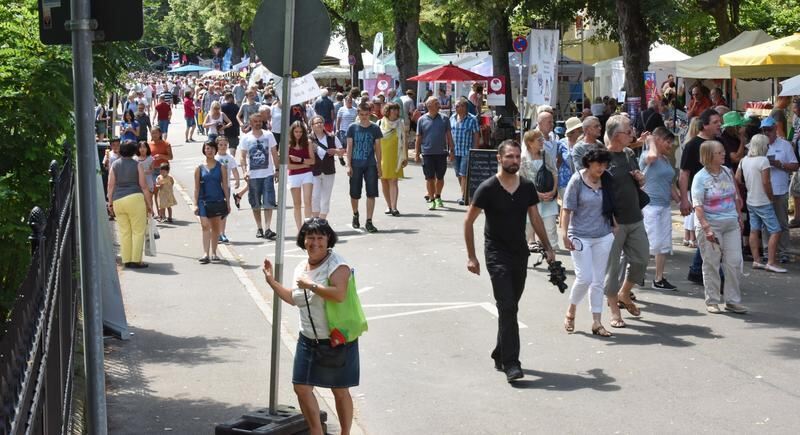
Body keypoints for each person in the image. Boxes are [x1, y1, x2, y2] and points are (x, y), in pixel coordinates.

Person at [463, 139, 555, 382]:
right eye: (509, 157)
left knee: (510, 306)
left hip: (519, 253)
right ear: (499, 159)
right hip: (496, 254)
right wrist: (472, 256)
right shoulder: (487, 188)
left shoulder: (526, 187)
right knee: (507, 305)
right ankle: (512, 363)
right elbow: (468, 222)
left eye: (517, 157)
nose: (514, 161)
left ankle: (499, 351)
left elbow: (535, 218)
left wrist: (548, 247)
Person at [261, 218, 358, 435]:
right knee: (301, 387)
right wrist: (272, 282)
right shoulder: (301, 267)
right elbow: (295, 299)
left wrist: (312, 285)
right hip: (308, 339)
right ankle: (316, 431)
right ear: (303, 240)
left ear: (328, 240)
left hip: (335, 339)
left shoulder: (337, 266)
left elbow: (339, 294)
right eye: (310, 238)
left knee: (340, 391)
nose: (315, 242)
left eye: (320, 238)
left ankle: (345, 433)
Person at [561, 148, 615, 337]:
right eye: (598, 164)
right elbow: (566, 209)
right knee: (585, 277)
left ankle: (597, 322)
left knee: (598, 280)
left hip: (603, 235)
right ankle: (571, 309)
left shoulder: (607, 179)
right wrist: (564, 234)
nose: (601, 168)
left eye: (604, 164)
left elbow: (613, 203)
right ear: (588, 163)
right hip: (580, 235)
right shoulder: (577, 180)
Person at [603, 115, 649, 327]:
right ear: (615, 135)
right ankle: (614, 310)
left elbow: (637, 182)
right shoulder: (602, 158)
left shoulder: (630, 153)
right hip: (613, 222)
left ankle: (624, 293)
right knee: (612, 268)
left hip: (635, 217)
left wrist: (640, 179)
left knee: (640, 260)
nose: (632, 134)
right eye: (628, 131)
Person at [691, 141, 747, 314]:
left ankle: (732, 300)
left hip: (730, 223)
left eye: (723, 151)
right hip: (711, 224)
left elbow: (735, 196)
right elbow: (698, 205)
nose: (724, 154)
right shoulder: (700, 177)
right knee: (712, 263)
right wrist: (707, 228)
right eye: (719, 152)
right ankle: (713, 300)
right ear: (709, 156)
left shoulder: (727, 172)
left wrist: (739, 215)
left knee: (734, 262)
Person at [680, 109, 722, 284]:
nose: (719, 125)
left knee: (713, 233)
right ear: (705, 125)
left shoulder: (719, 142)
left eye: (720, 122)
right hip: (701, 197)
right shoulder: (692, 145)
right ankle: (716, 276)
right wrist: (684, 199)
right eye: (715, 122)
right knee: (710, 232)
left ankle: (697, 269)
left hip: (719, 196)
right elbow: (684, 174)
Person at [736, 134, 787, 273]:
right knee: (776, 230)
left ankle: (756, 260)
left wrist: (748, 184)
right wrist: (771, 197)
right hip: (763, 200)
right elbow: (766, 182)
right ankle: (771, 261)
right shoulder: (763, 160)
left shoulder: (744, 160)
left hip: (751, 199)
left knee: (754, 229)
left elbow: (737, 178)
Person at [640, 127, 681, 290]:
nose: (670, 145)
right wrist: (650, 141)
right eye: (667, 141)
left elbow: (669, 183)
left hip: (664, 206)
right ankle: (638, 274)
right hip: (649, 206)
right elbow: (651, 156)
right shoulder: (648, 155)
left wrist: (680, 200)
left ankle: (659, 278)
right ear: (657, 140)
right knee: (651, 243)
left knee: (664, 244)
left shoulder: (664, 159)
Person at [107, 140, 153, 269]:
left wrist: (110, 203)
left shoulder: (115, 165)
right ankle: (136, 260)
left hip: (118, 200)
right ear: (134, 151)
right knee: (138, 231)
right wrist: (149, 204)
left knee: (124, 231)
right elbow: (144, 186)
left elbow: (110, 185)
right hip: (135, 198)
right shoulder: (137, 165)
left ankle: (126, 259)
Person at [239, 113, 280, 240]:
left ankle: (268, 228)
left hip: (267, 174)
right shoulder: (246, 138)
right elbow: (242, 156)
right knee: (255, 203)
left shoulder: (269, 135)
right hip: (253, 175)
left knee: (269, 202)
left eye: (259, 121)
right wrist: (245, 171)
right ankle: (259, 227)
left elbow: (274, 153)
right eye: (255, 121)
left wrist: (277, 169)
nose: (258, 123)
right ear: (250, 123)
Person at [346, 102, 382, 233]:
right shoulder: (352, 127)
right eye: (361, 114)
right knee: (355, 193)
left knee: (371, 193)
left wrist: (379, 165)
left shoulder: (375, 128)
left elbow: (378, 148)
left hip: (370, 164)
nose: (364, 117)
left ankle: (369, 220)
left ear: (370, 114)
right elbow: (349, 147)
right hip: (356, 164)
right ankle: (355, 214)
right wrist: (348, 165)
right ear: (358, 114)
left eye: (366, 115)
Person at [520, 130, 559, 250]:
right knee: (527, 230)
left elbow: (554, 172)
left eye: (542, 139)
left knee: (551, 229)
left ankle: (552, 260)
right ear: (530, 143)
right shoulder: (522, 159)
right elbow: (521, 181)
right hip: (531, 201)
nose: (542, 142)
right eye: (539, 140)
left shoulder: (545, 154)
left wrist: (553, 191)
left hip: (548, 199)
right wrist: (536, 194)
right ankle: (520, 260)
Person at [415, 97, 455, 210]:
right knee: (429, 178)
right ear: (429, 106)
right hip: (427, 153)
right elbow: (418, 137)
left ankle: (438, 196)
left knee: (440, 177)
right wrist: (417, 153)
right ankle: (431, 199)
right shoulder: (422, 120)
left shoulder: (444, 119)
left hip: (441, 153)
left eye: (438, 103)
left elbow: (449, 136)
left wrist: (452, 150)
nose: (439, 105)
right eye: (436, 103)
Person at [194, 141, 230, 264]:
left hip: (217, 200)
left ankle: (214, 252)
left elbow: (225, 185)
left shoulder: (221, 167)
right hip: (203, 201)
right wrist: (195, 204)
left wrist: (228, 202)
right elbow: (196, 187)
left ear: (215, 150)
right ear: (204, 150)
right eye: (207, 148)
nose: (209, 151)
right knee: (205, 226)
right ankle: (205, 253)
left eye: (212, 149)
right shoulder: (199, 168)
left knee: (215, 228)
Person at [309, 115, 344, 219]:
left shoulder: (331, 137)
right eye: (317, 123)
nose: (319, 124)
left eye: (321, 122)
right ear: (312, 126)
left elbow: (342, 151)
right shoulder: (308, 139)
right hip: (314, 171)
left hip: (329, 170)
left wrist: (336, 151)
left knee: (326, 196)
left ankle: (322, 218)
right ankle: (315, 218)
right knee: (315, 196)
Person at [377, 102, 407, 216]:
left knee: (393, 181)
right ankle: (388, 206)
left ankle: (394, 207)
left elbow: (404, 140)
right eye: (393, 109)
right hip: (382, 157)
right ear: (387, 111)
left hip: (396, 157)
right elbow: (375, 142)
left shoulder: (400, 123)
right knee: (384, 181)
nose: (395, 112)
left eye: (396, 109)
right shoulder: (379, 123)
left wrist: (405, 157)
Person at [450, 98, 480, 205]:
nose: (458, 108)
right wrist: (450, 150)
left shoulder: (472, 119)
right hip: (455, 150)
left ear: (465, 107)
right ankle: (465, 193)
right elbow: (449, 135)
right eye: (456, 106)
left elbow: (476, 135)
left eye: (460, 106)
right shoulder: (452, 118)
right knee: (458, 173)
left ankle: (464, 196)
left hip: (467, 151)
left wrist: (475, 150)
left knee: (464, 174)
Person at [287, 121, 315, 232]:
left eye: (300, 131)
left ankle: (308, 227)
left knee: (307, 201)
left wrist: (300, 160)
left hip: (307, 174)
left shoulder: (308, 142)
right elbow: (289, 166)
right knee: (297, 204)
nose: (298, 134)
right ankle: (299, 230)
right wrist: (304, 164)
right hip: (294, 176)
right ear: (292, 132)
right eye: (296, 131)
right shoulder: (287, 145)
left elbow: (312, 161)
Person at [215, 136, 240, 244]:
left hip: (226, 187)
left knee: (224, 211)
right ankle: (216, 233)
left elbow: (234, 169)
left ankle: (222, 233)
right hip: (215, 187)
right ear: (217, 146)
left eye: (225, 145)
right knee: (215, 211)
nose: (223, 147)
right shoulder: (215, 158)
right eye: (221, 145)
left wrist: (237, 180)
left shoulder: (230, 158)